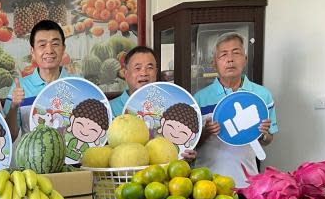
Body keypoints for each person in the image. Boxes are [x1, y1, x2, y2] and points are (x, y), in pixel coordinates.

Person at [194, 32, 276, 187]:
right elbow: (191, 144)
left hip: (247, 184)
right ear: (214, 63)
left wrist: (262, 133)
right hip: (207, 185)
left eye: (236, 53)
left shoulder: (261, 95)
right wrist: (206, 132)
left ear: (245, 59)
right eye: (223, 55)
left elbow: (268, 139)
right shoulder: (199, 99)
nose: (230, 59)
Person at [110, 45, 196, 161]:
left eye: (149, 67)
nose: (144, 73)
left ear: (156, 72)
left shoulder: (170, 107)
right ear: (126, 74)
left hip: (163, 175)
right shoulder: (110, 109)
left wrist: (185, 154)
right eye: (137, 68)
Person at [4, 20, 74, 140]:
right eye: (42, 45)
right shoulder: (20, 87)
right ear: (33, 52)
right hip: (33, 158)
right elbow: (10, 136)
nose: (49, 50)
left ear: (63, 49)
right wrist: (14, 106)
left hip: (74, 158)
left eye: (55, 44)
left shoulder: (78, 84)